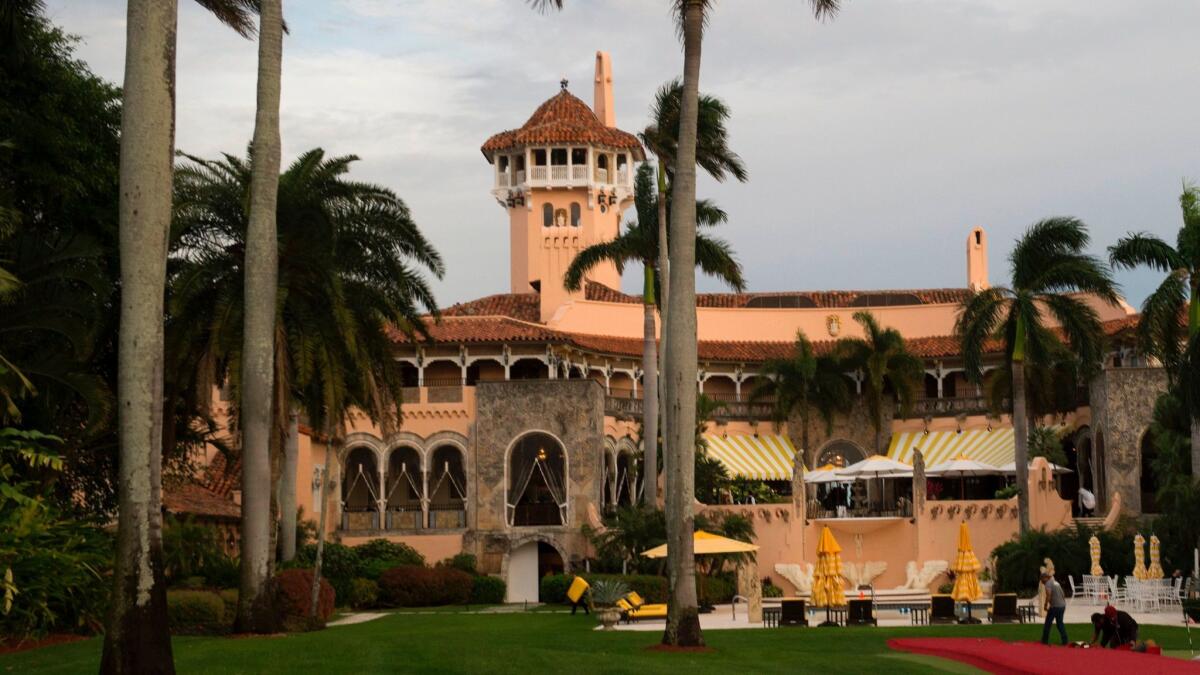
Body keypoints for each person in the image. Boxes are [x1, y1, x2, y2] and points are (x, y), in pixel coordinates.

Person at [1040, 572, 1068, 645]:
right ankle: (1065, 641)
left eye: (1042, 579)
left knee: (1048, 624)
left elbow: (1048, 595)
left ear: (1045, 578)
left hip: (1055, 607)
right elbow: (1063, 594)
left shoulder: (1048, 584)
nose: (1041, 581)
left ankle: (1044, 641)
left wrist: (1045, 605)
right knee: (1060, 624)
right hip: (1062, 606)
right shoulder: (1056, 582)